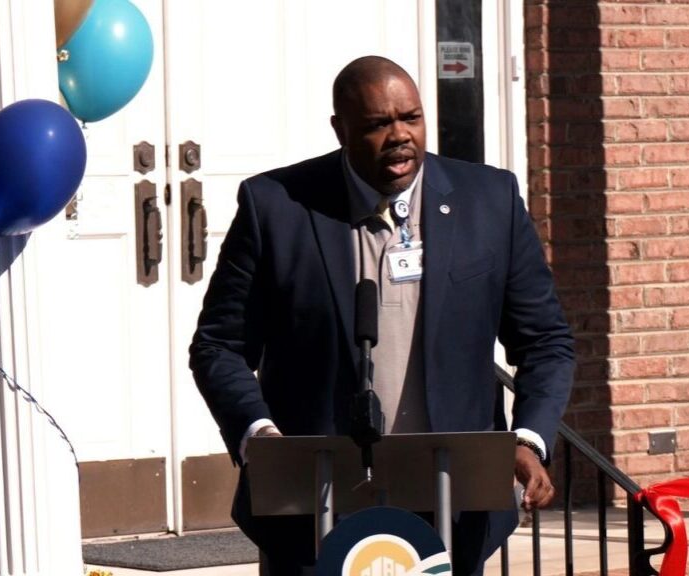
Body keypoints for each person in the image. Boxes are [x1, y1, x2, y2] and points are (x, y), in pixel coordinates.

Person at [190, 55, 574, 576]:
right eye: (377, 124)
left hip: (451, 500)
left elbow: (545, 341)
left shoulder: (490, 201)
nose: (400, 136)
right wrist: (260, 437)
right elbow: (219, 346)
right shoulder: (277, 207)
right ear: (339, 128)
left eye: (411, 118)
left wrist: (528, 438)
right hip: (315, 503)